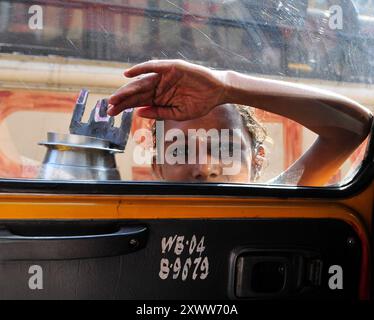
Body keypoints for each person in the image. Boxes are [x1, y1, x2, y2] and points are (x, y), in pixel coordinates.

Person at [107, 59, 373, 186]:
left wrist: (228, 85)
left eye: (227, 148)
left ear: (257, 160)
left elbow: (354, 127)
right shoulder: (140, 218)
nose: (204, 167)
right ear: (158, 166)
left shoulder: (277, 202)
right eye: (181, 151)